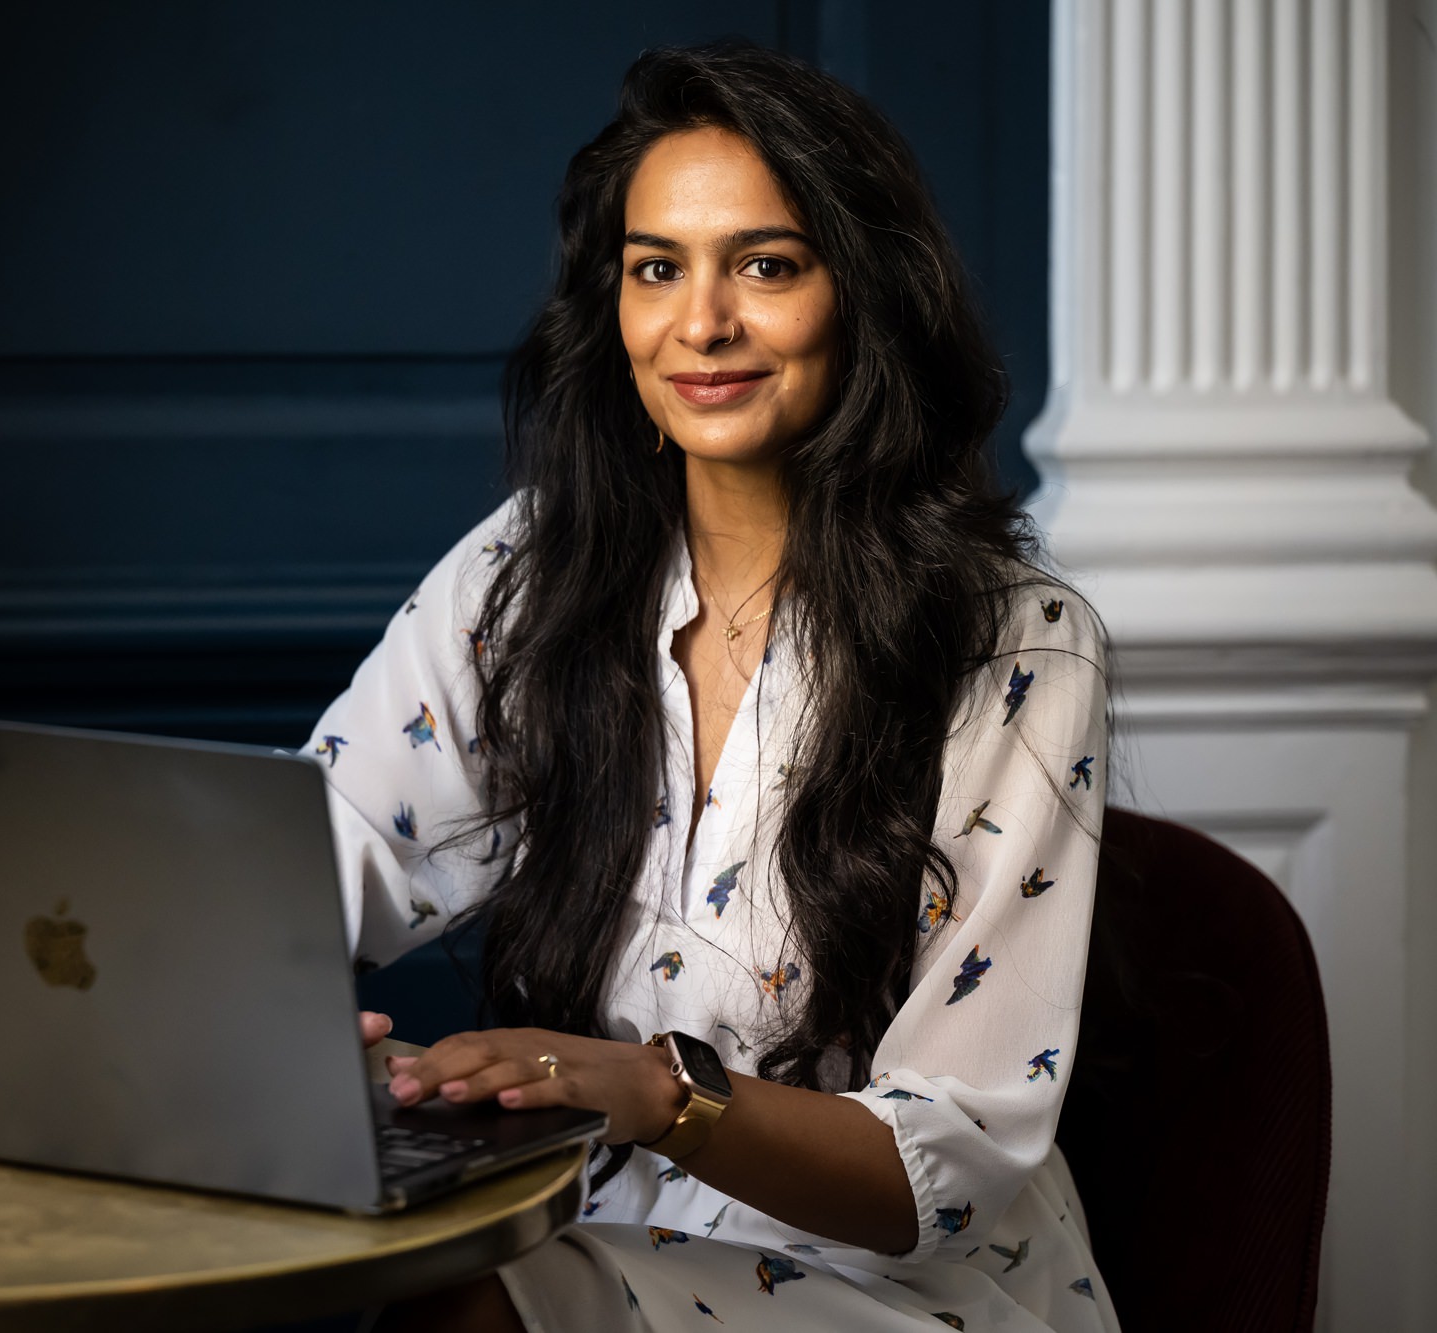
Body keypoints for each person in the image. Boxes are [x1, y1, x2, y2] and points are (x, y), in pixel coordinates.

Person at [305, 39, 1118, 1333]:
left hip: (901, 1292)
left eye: (766, 263)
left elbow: (947, 1163)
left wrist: (653, 1086)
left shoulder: (1016, 642)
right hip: (592, 1229)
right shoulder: (530, 569)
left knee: (466, 1310)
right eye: (656, 269)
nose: (703, 323)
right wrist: (256, 1009)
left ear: (862, 290)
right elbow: (321, 845)